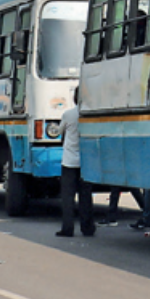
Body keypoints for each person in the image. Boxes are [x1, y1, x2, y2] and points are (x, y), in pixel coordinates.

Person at [56, 90, 94, 238]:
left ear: (74, 98)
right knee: (85, 196)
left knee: (68, 197)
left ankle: (67, 228)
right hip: (85, 162)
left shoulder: (68, 114)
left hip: (69, 161)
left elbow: (60, 131)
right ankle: (87, 228)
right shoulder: (89, 115)